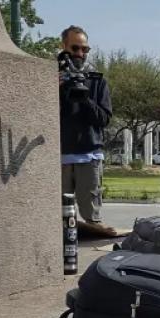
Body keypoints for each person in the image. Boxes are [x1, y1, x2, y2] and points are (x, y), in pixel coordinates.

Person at [58, 25, 116, 237]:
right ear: (63, 47)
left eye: (85, 49)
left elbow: (104, 119)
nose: (80, 54)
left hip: (88, 155)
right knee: (57, 215)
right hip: (59, 156)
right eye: (75, 48)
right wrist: (60, 88)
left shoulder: (96, 80)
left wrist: (85, 98)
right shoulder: (52, 77)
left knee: (92, 219)